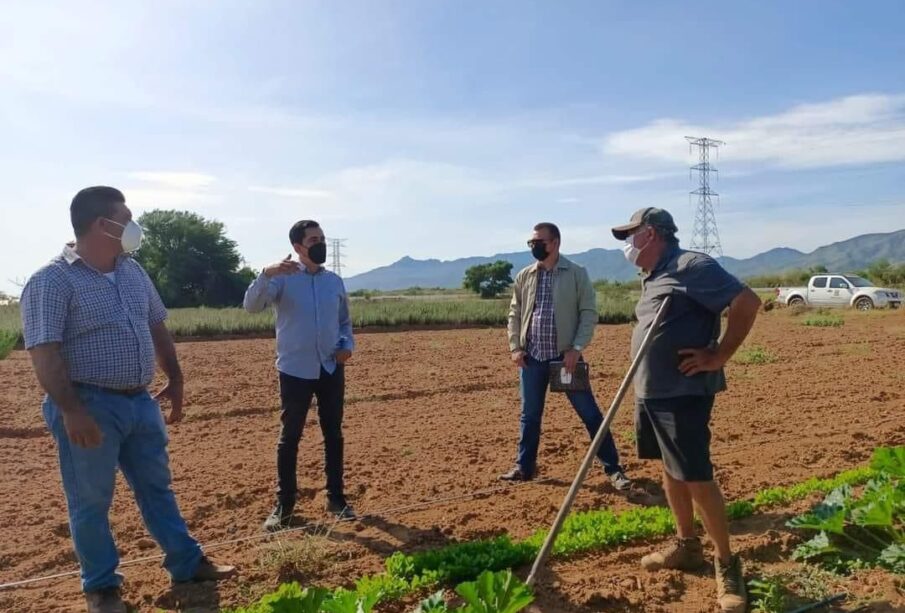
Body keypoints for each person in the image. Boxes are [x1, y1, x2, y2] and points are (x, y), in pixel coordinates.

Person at [20, 187, 235, 613]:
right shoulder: (51, 280)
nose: (133, 225)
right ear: (103, 224)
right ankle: (101, 588)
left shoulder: (133, 271)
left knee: (157, 488)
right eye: (127, 216)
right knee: (91, 500)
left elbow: (156, 325)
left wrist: (175, 378)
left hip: (140, 402)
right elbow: (43, 352)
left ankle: (186, 562)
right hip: (89, 403)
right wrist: (72, 411)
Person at [611, 207, 761, 613]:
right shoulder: (654, 275)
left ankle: (728, 565)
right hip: (653, 391)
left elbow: (747, 301)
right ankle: (686, 545)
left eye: (632, 234)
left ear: (654, 233)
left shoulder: (691, 264)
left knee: (695, 475)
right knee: (670, 469)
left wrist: (719, 354)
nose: (628, 243)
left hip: (682, 392)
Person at [501, 222, 631, 491]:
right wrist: (515, 347)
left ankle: (614, 469)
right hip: (532, 359)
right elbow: (514, 313)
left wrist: (577, 348)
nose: (534, 246)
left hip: (565, 359)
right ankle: (524, 467)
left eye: (539, 242)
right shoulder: (525, 276)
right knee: (530, 415)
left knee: (590, 414)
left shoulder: (575, 273)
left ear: (556, 243)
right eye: (531, 243)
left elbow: (588, 313)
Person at [244, 220, 356, 531]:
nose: (319, 243)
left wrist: (347, 345)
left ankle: (336, 498)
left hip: (331, 367)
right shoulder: (282, 279)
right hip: (295, 370)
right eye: (313, 239)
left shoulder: (334, 281)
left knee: (333, 433)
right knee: (290, 436)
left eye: (322, 238)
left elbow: (345, 323)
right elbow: (251, 306)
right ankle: (285, 504)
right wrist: (266, 273)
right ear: (297, 247)